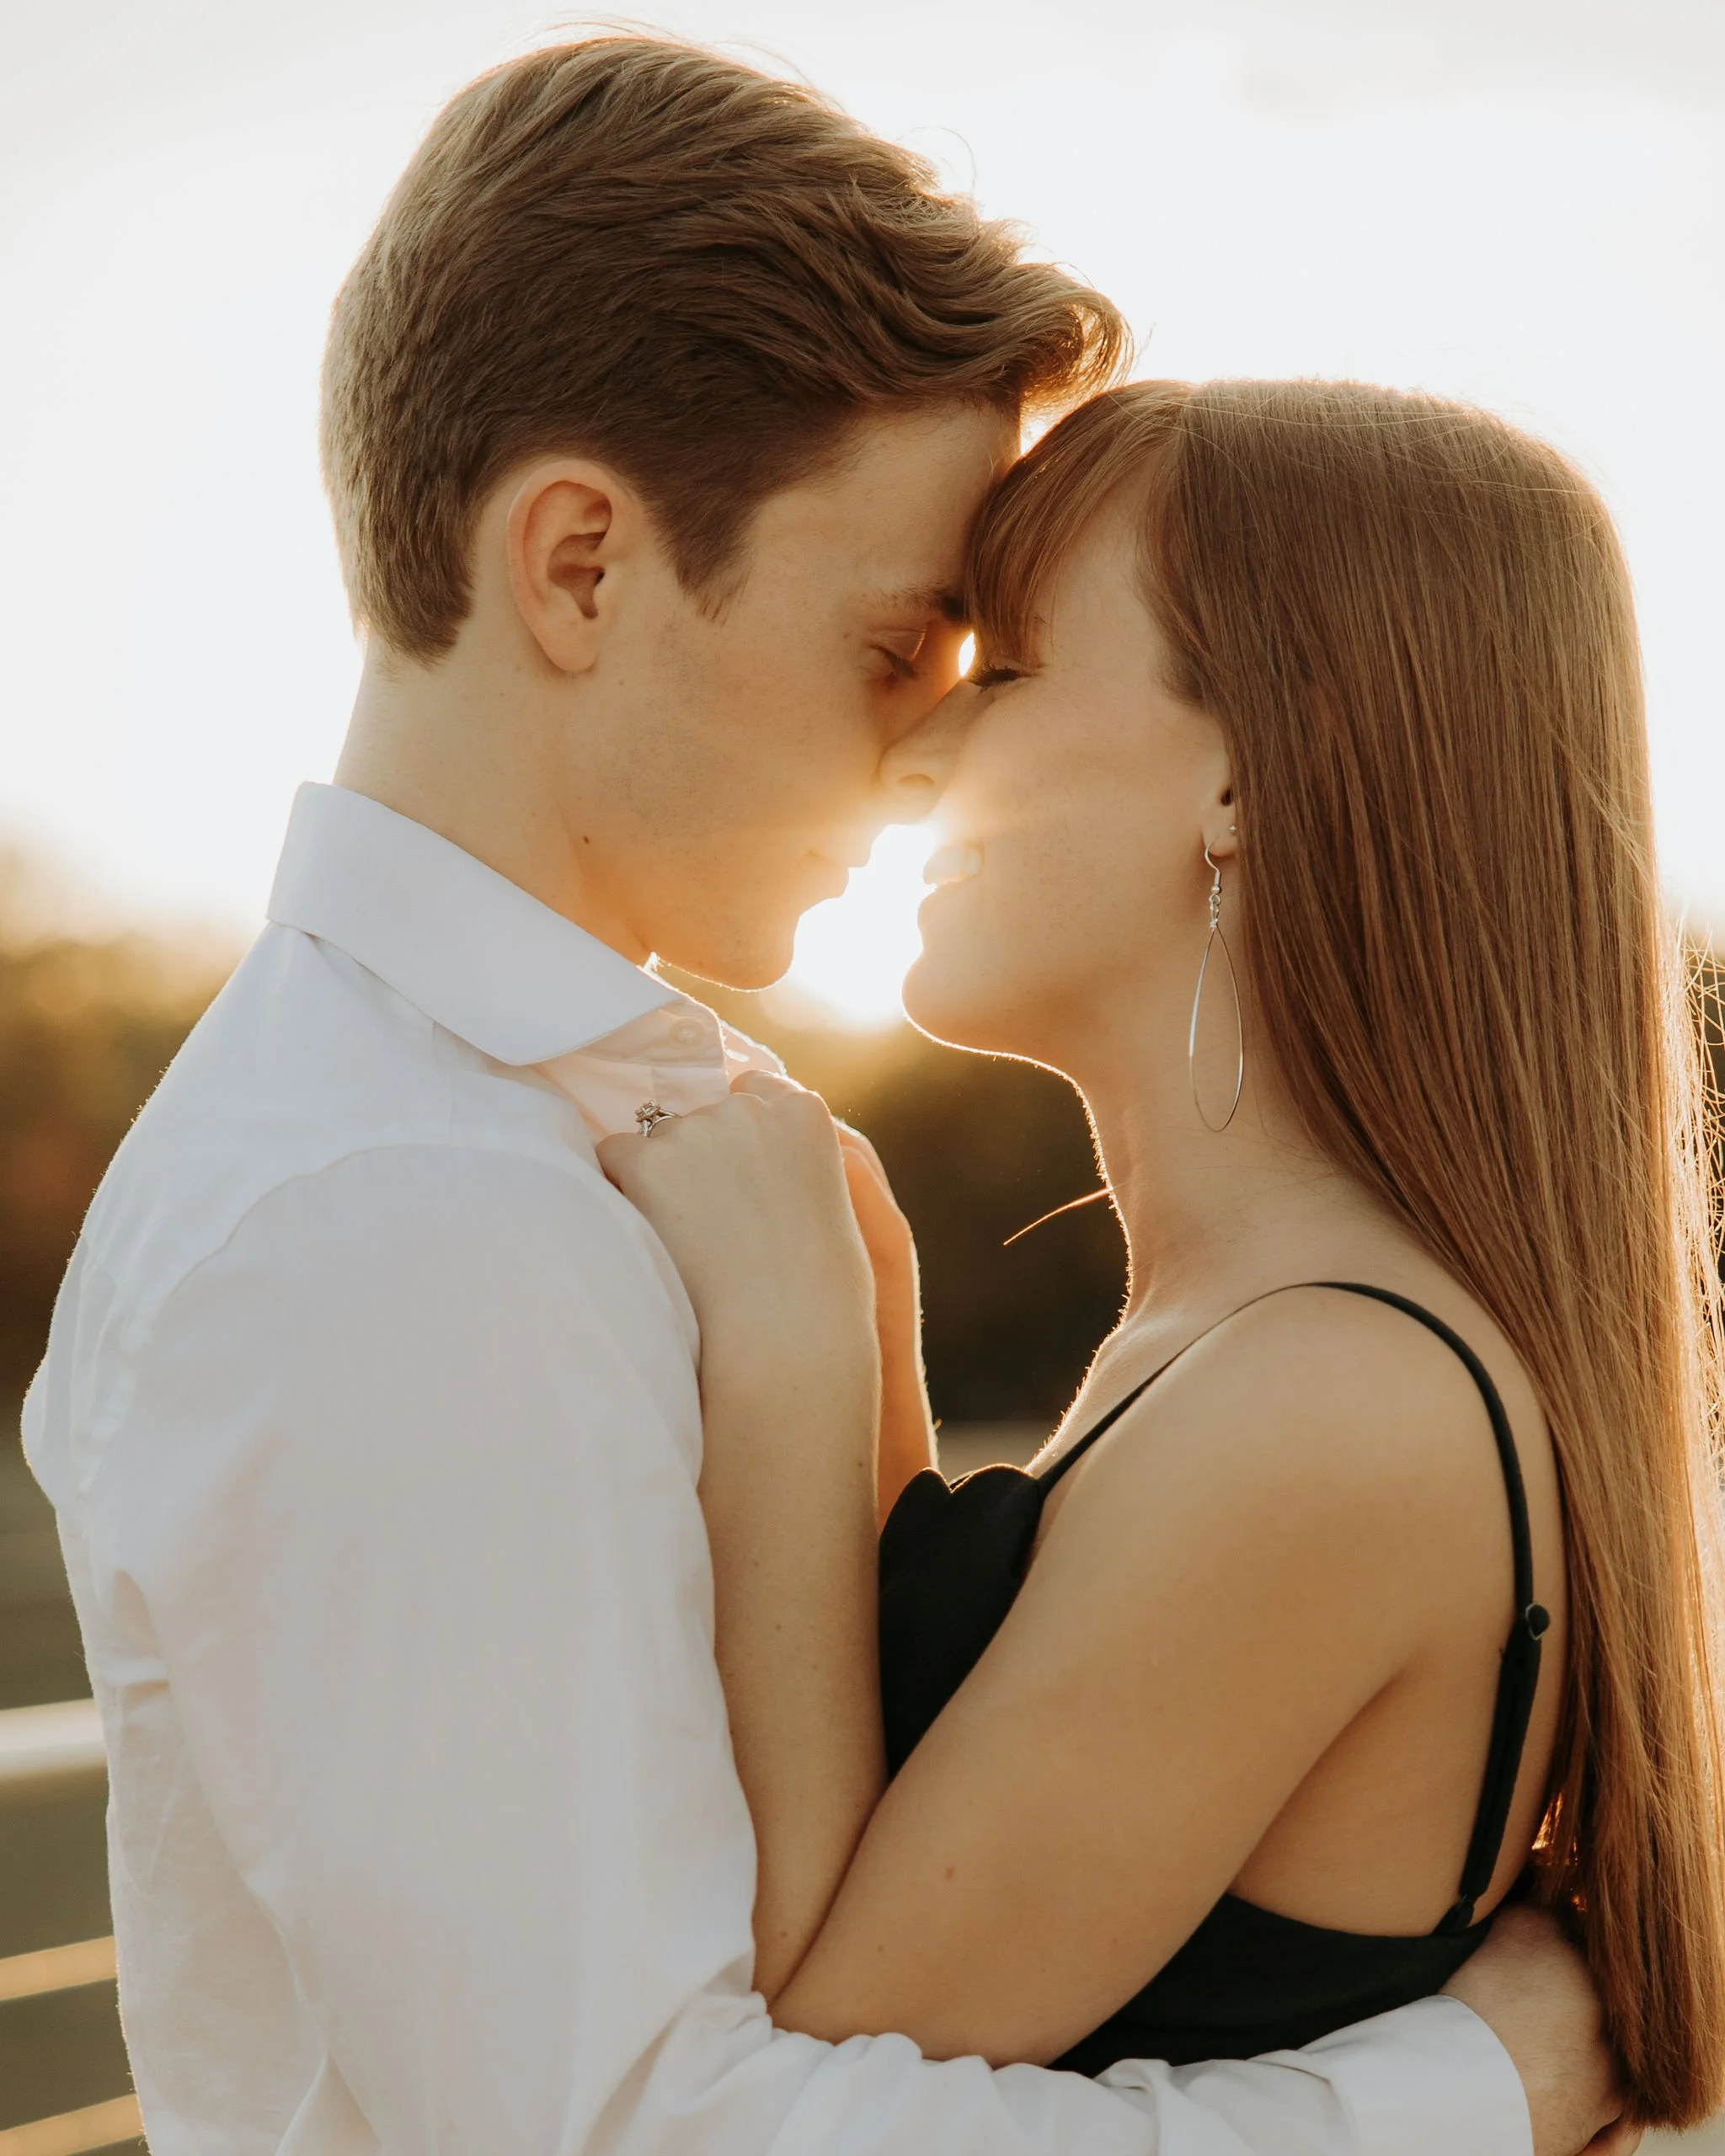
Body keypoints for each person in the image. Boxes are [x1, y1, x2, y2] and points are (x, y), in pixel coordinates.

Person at [23, 36, 1627, 2155]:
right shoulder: (402, 1210)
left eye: (998, 670)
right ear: (580, 564)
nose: (923, 751)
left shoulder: (586, 1155)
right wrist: (1451, 2091)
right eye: (899, 648)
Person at [604, 376, 1725, 2139]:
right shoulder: (1254, 1343)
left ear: (1250, 771)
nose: (912, 750)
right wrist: (872, 1372)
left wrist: (786, 1362)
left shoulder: (1334, 1401)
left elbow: (798, 2078)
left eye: (1016, 669)